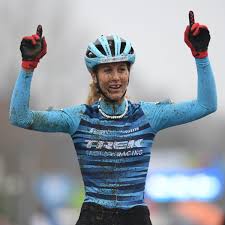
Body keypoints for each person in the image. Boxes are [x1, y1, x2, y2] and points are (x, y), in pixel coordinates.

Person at [9, 11, 217, 225]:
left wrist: (201, 55)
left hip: (135, 217)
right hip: (94, 217)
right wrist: (28, 66)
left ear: (129, 73)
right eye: (107, 70)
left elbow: (206, 105)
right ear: (95, 76)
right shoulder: (79, 118)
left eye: (121, 69)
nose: (116, 77)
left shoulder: (149, 115)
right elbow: (20, 117)